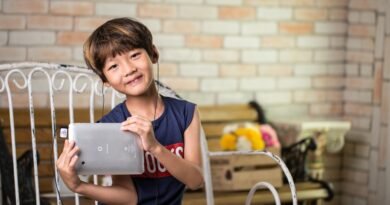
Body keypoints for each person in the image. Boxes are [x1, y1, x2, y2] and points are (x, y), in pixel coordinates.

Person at [56, 17, 204, 205]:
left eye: (134, 55)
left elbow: (196, 181)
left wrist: (154, 147)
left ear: (153, 53)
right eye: (113, 66)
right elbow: (130, 197)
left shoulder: (186, 113)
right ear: (105, 80)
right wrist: (78, 186)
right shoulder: (111, 126)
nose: (128, 69)